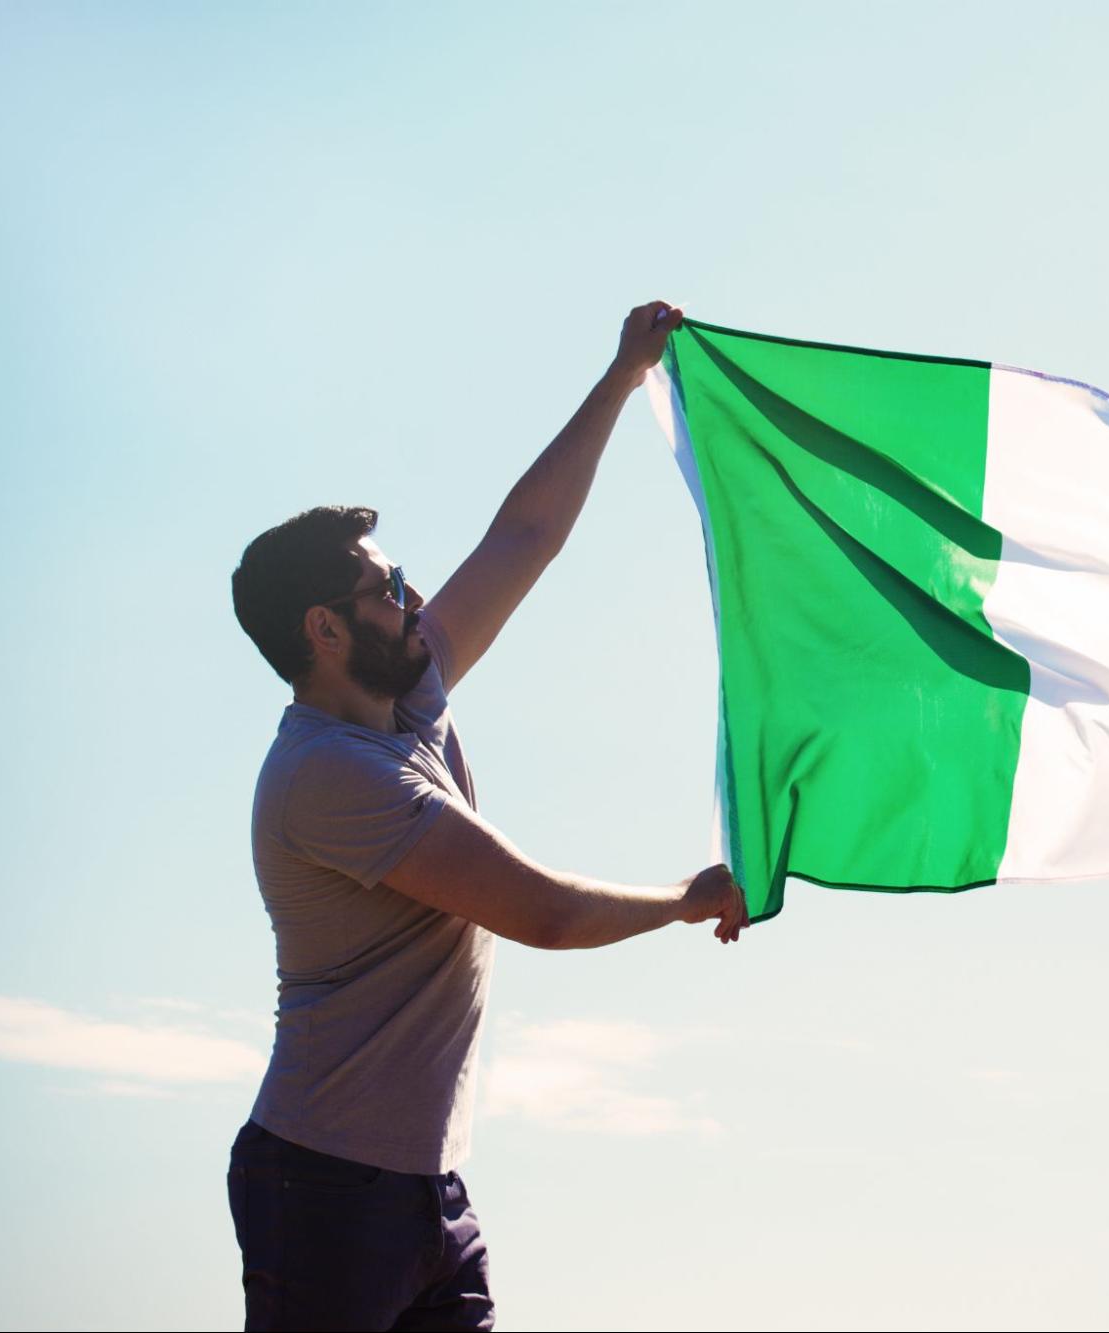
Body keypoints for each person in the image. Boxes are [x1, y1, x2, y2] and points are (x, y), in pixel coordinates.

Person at [224, 301, 743, 1331]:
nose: (413, 602)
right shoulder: (329, 777)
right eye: (387, 590)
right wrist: (683, 901)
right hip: (322, 1190)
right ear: (324, 629)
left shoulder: (407, 695)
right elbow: (541, 911)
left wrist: (622, 374)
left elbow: (527, 534)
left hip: (426, 1192)